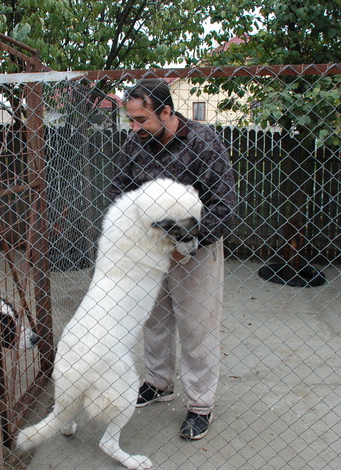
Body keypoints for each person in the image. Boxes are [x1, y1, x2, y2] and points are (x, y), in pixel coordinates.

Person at [107, 78, 236, 440]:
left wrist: (183, 242)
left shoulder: (202, 141)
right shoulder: (135, 145)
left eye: (141, 120)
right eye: (130, 120)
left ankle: (200, 405)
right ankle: (158, 382)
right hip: (149, 251)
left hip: (193, 252)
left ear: (166, 111)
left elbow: (223, 205)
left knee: (197, 327)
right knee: (154, 320)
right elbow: (118, 190)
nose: (134, 128)